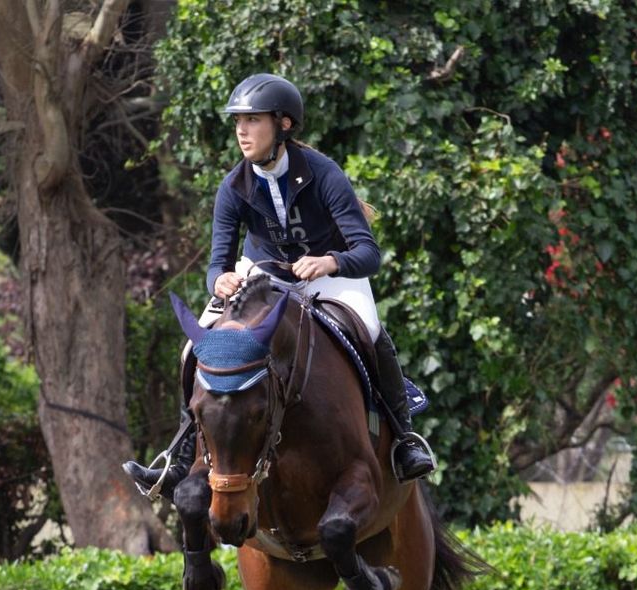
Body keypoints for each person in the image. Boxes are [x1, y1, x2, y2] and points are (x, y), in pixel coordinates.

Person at [124, 72, 436, 496]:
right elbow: (217, 264)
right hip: (263, 279)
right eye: (238, 121)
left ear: (283, 124)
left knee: (372, 329)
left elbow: (369, 254)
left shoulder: (324, 173)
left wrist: (330, 261)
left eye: (252, 120)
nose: (241, 130)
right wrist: (221, 281)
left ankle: (403, 439)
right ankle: (180, 458)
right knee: (192, 348)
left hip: (328, 277)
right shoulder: (234, 186)